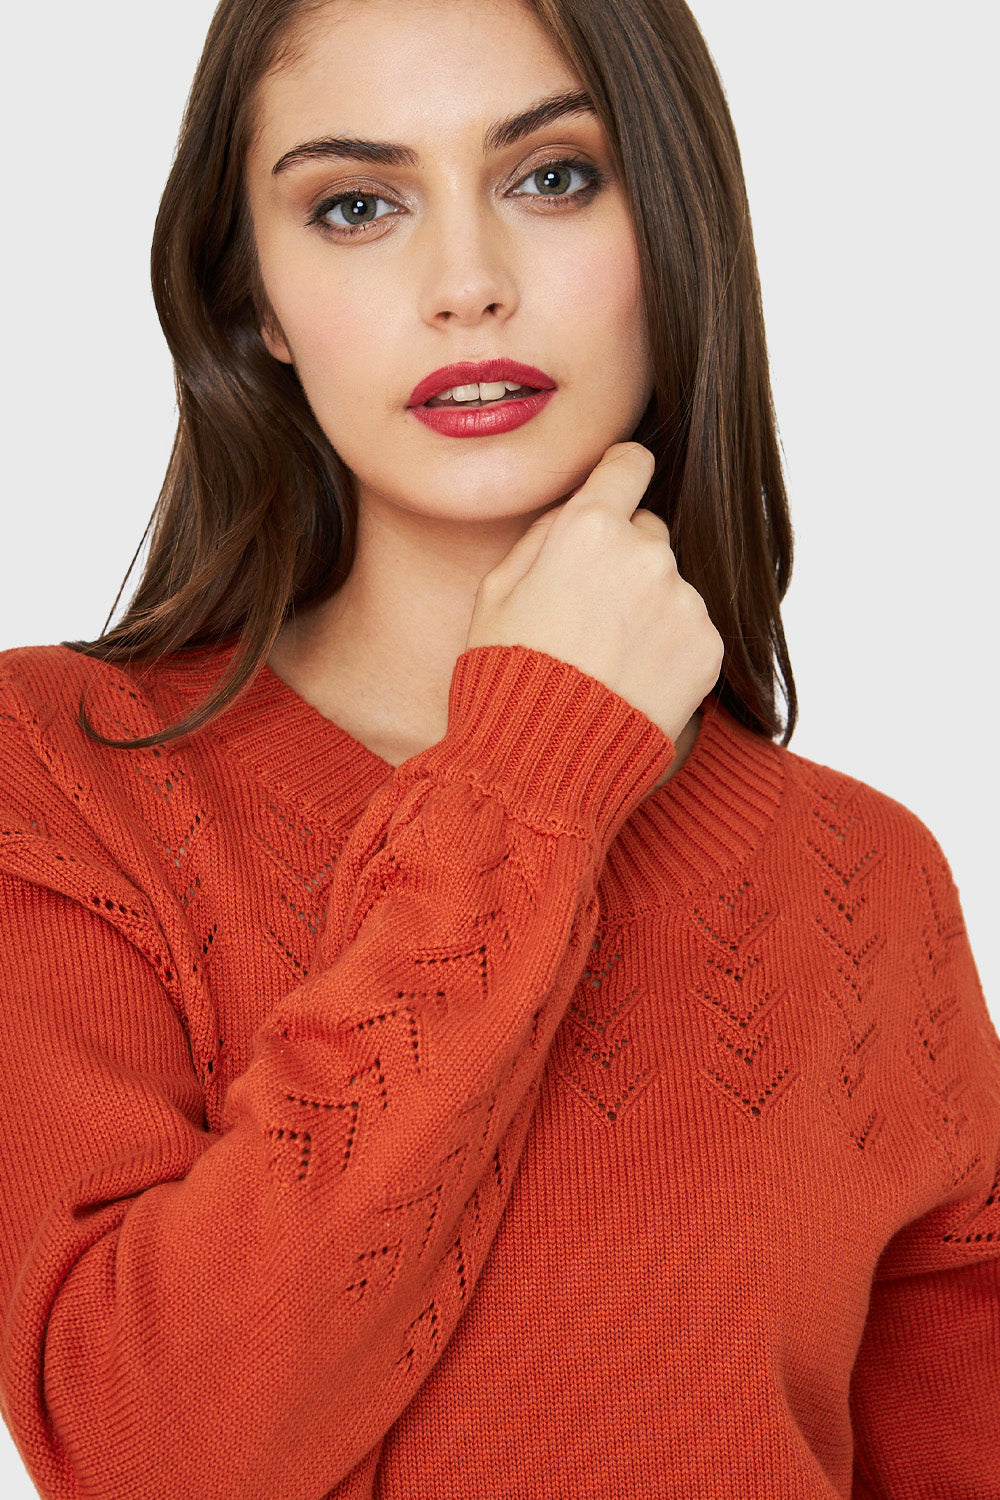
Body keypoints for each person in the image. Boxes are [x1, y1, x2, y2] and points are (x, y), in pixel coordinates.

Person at [0, 0, 996, 1495]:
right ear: (254, 297)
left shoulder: (866, 878)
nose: (468, 284)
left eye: (553, 178)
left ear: (674, 228)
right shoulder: (58, 771)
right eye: (356, 206)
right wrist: (535, 773)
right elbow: (154, 1448)